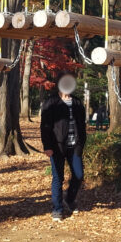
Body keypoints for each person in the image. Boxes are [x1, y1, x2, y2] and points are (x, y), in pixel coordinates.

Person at [40, 71, 86, 221]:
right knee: (57, 178)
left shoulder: (78, 103)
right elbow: (45, 126)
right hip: (57, 147)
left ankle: (70, 199)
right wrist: (47, 146)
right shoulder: (51, 102)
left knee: (79, 175)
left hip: (75, 147)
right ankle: (57, 209)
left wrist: (81, 144)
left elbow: (82, 126)